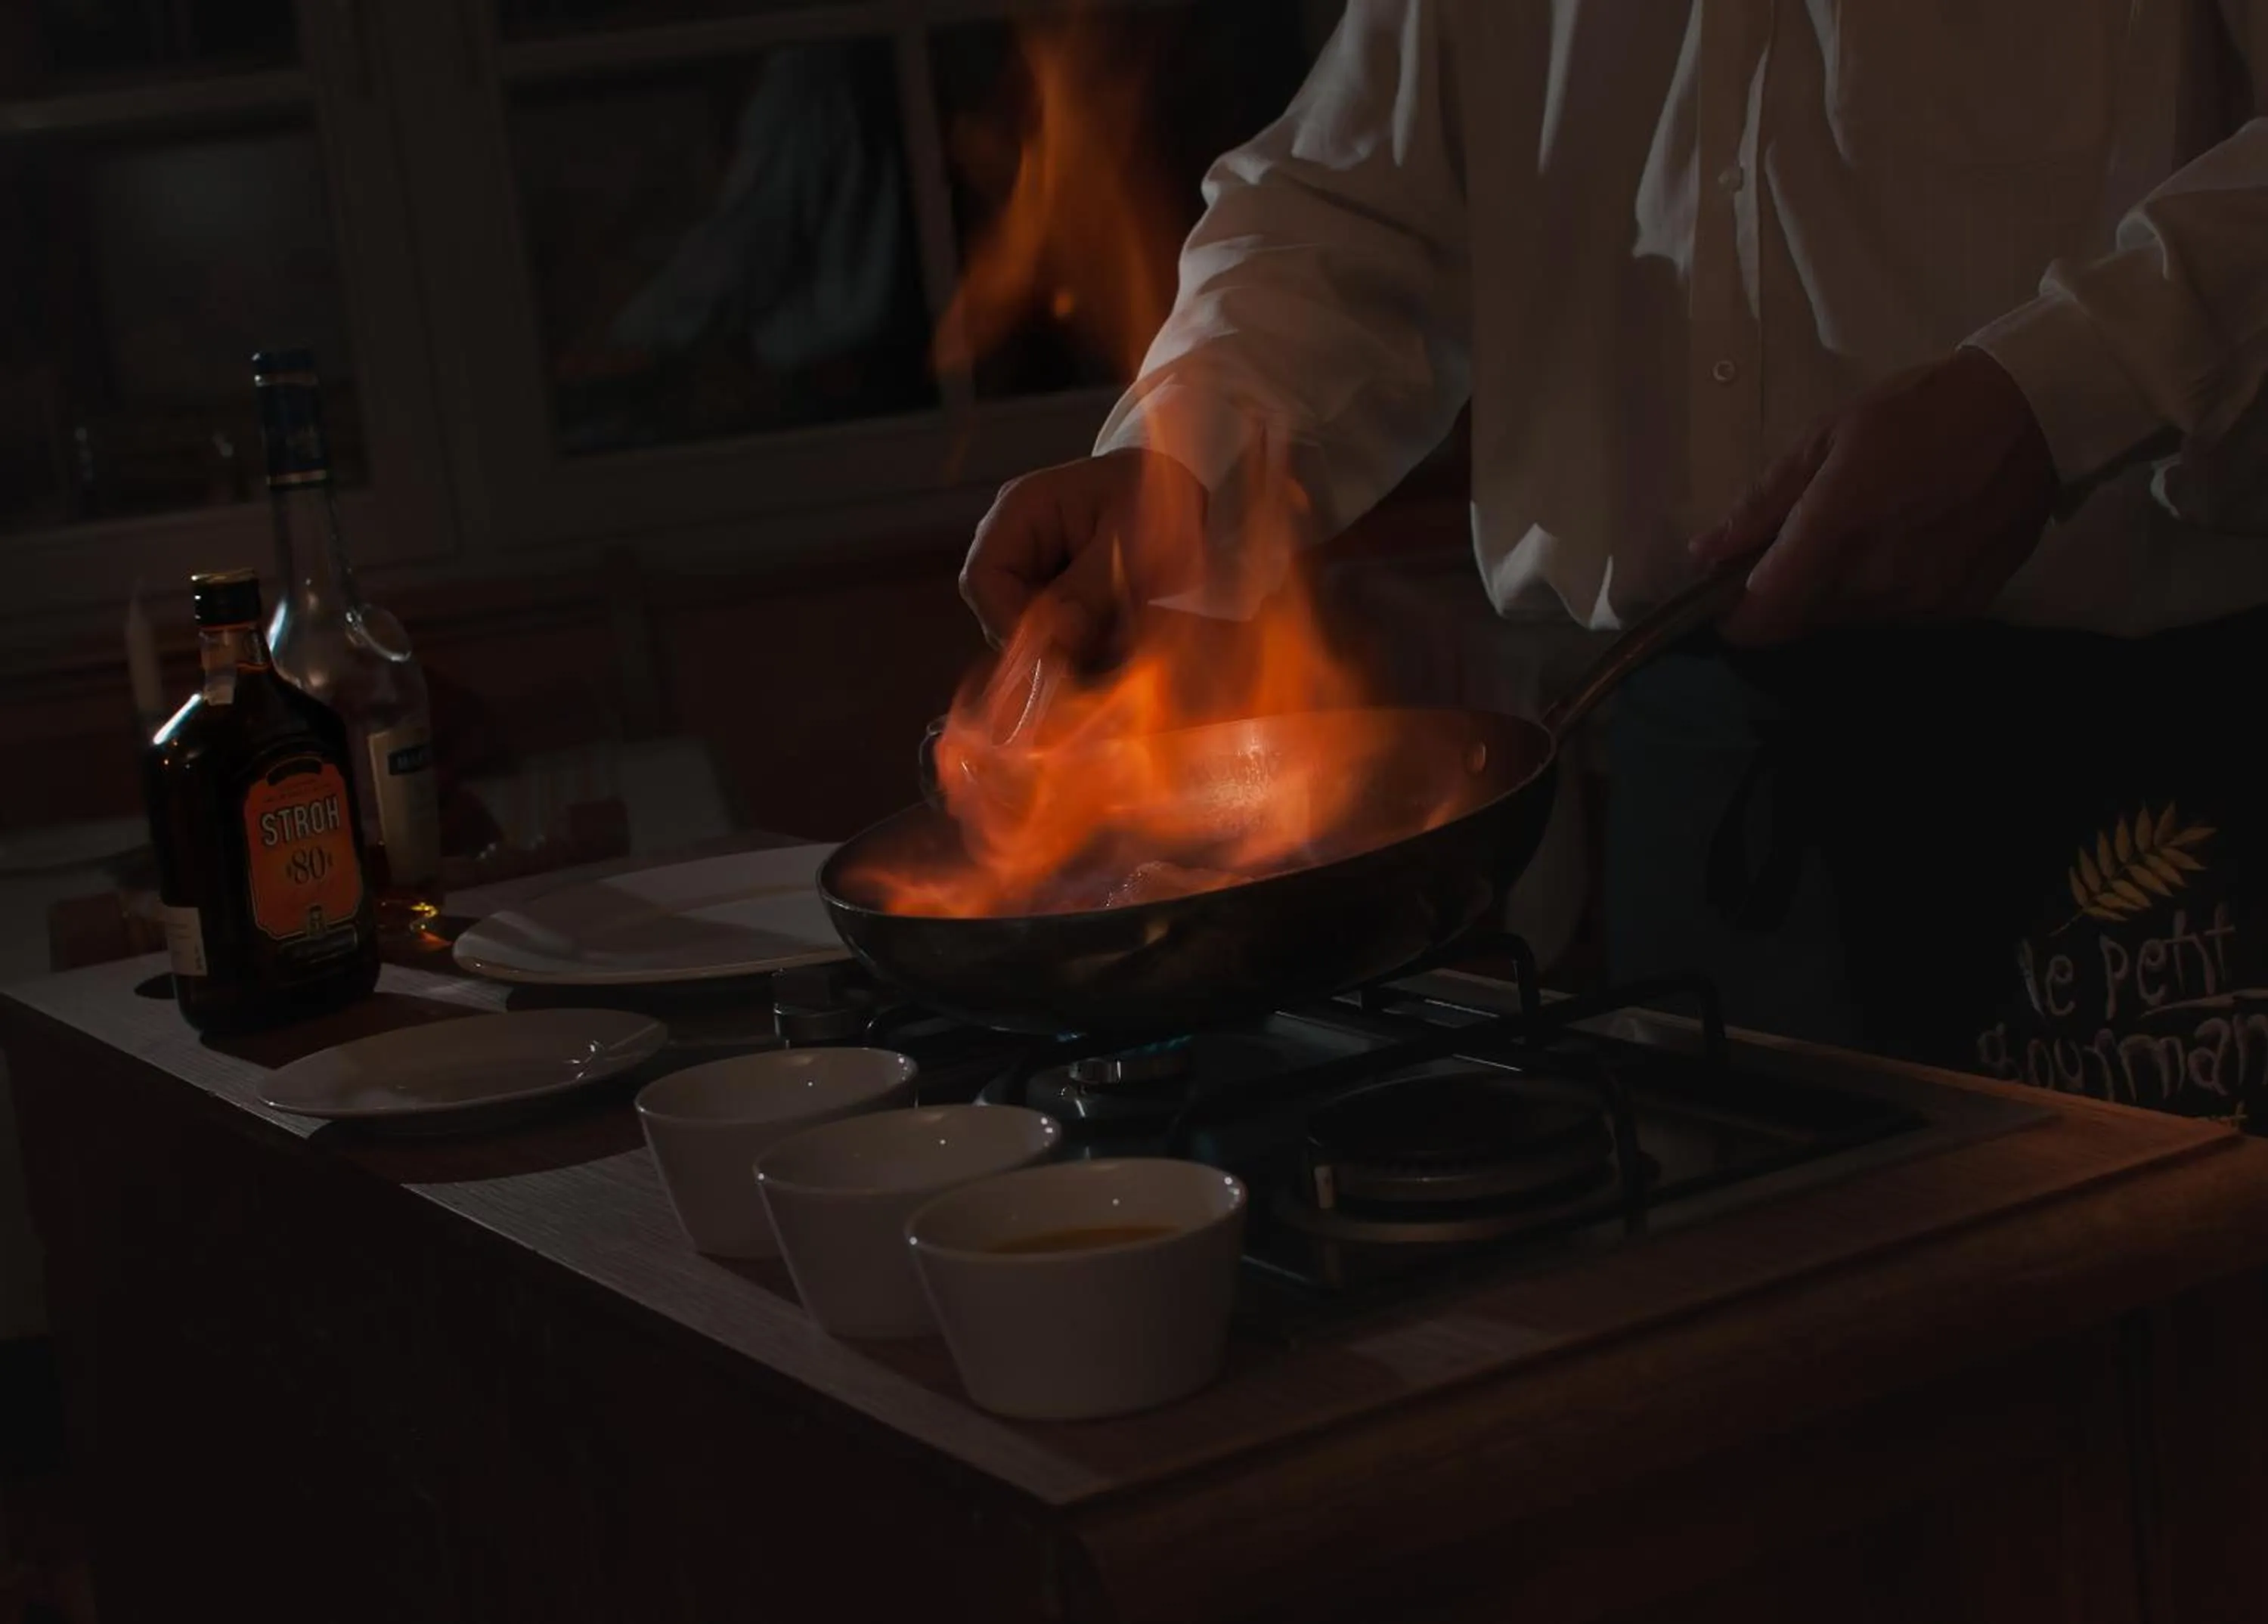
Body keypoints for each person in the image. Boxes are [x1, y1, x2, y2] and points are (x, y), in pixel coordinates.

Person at [955, 2, 2268, 1123]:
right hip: (1699, 750)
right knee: (1745, 1363)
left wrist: (2054, 397)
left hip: (2132, 747)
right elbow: (1355, 212)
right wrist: (1176, 464)